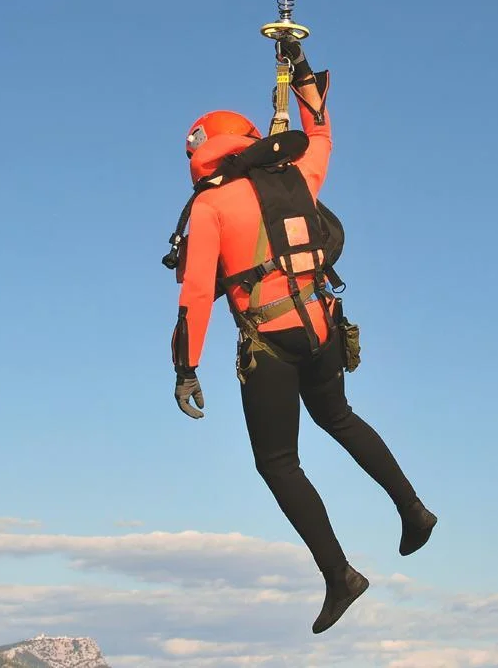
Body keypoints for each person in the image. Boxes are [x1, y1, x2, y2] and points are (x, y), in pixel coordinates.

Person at [169, 39, 438, 634]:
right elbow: (321, 138)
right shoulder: (298, 179)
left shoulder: (211, 207)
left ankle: (341, 575)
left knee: (278, 462)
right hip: (322, 326)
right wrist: (305, 79)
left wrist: (185, 368)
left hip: (269, 342)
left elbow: (193, 296)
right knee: (338, 417)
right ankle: (413, 509)